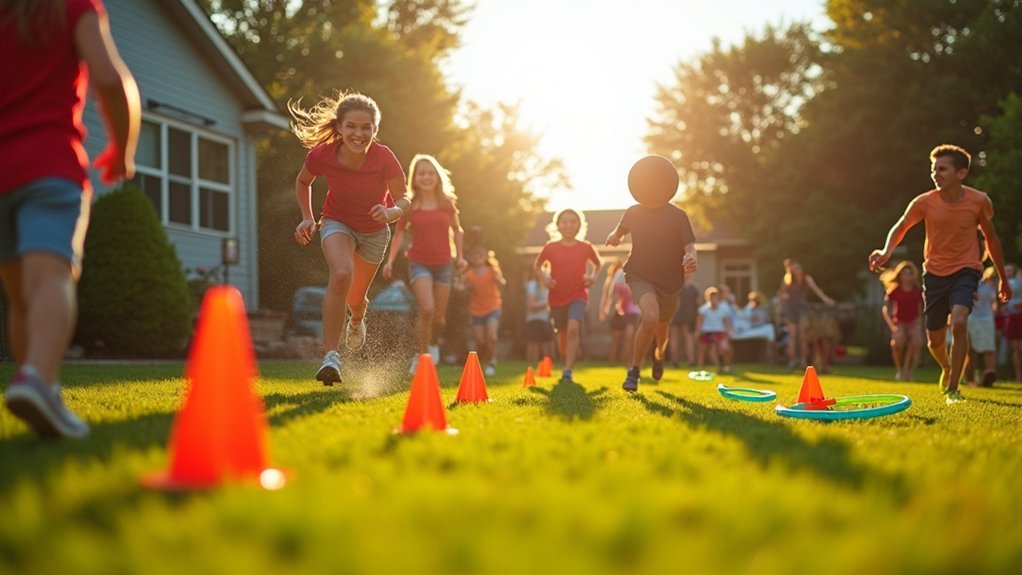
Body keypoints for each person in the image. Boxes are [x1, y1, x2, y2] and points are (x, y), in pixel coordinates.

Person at [1, 0, 140, 439]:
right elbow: (109, 79)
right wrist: (123, 148)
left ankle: (40, 387)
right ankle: (37, 380)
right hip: (48, 166)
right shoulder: (72, 6)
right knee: (49, 279)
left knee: (22, 297)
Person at [869, 144, 1012, 404]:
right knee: (934, 341)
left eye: (943, 169)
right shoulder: (924, 202)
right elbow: (901, 226)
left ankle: (954, 389)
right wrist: (886, 250)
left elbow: (991, 239)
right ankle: (946, 367)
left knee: (959, 322)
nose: (936, 174)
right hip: (934, 274)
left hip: (967, 269)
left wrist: (1002, 277)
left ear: (962, 173)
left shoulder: (979, 201)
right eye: (934, 169)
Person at [289, 91, 409, 385]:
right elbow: (303, 180)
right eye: (352, 126)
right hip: (336, 222)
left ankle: (356, 319)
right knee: (341, 275)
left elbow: (404, 197)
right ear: (340, 128)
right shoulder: (322, 155)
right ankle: (331, 356)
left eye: (366, 127)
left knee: (356, 298)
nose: (359, 133)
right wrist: (307, 216)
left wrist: (392, 211)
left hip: (374, 231)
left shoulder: (384, 157)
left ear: (374, 130)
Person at [606, 155, 697, 392]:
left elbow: (690, 246)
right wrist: (615, 237)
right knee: (650, 317)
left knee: (662, 332)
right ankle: (634, 371)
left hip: (670, 282)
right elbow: (620, 230)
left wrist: (691, 258)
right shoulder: (634, 212)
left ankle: (659, 354)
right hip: (639, 275)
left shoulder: (678, 216)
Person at [381, 154, 467, 374]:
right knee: (427, 309)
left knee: (439, 317)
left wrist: (461, 257)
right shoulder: (409, 205)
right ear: (415, 178)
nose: (427, 177)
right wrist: (390, 261)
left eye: (430, 173)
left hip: (444, 264)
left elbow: (457, 230)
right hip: (419, 262)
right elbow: (398, 233)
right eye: (422, 173)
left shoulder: (447, 203)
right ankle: (421, 357)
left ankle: (433, 342)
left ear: (437, 177)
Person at [536, 208, 602, 383]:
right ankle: (567, 357)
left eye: (573, 221)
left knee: (573, 328)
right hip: (556, 296)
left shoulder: (586, 247)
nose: (569, 225)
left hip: (578, 295)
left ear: (579, 225)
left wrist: (592, 278)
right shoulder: (550, 248)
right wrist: (544, 277)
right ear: (557, 225)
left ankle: (567, 370)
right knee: (562, 336)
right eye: (564, 221)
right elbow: (537, 266)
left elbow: (598, 264)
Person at [778, 258, 835, 369]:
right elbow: (781, 294)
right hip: (791, 310)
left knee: (804, 336)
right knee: (792, 336)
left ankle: (804, 361)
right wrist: (783, 297)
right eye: (794, 269)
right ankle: (792, 361)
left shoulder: (807, 279)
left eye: (798, 268)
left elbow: (817, 291)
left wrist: (827, 300)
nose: (796, 270)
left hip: (803, 309)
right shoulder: (787, 280)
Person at [462, 245, 505, 376]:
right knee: (480, 340)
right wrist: (465, 287)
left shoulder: (492, 271)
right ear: (471, 259)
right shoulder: (468, 274)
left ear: (485, 257)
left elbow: (502, 283)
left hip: (493, 307)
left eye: (480, 255)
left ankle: (492, 361)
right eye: (474, 256)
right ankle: (485, 358)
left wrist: (499, 281)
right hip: (477, 310)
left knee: (491, 337)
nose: (477, 258)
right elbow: (461, 287)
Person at [880, 261, 924, 381]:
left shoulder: (917, 290)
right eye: (904, 274)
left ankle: (909, 372)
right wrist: (891, 325)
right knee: (897, 343)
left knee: (917, 344)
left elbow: (920, 310)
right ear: (900, 275)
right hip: (899, 321)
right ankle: (899, 369)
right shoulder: (895, 290)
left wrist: (919, 325)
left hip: (914, 321)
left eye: (910, 273)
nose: (907, 276)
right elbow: (886, 309)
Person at [598, 261, 639, 364]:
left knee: (629, 336)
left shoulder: (632, 277)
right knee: (616, 338)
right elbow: (607, 296)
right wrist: (604, 310)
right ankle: (613, 361)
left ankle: (627, 361)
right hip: (618, 312)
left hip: (631, 312)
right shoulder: (612, 281)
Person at [964, 266, 998, 387]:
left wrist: (994, 312)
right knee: (971, 350)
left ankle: (990, 373)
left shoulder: (989, 285)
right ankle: (970, 377)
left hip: (987, 318)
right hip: (971, 318)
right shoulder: (966, 283)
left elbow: (994, 302)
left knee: (989, 348)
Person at [696, 287, 732, 372]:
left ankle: (726, 365)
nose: (713, 299)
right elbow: (699, 322)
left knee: (724, 348)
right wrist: (697, 331)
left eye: (715, 297)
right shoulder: (703, 310)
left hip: (719, 331)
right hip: (707, 332)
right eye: (711, 297)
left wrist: (729, 331)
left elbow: (726, 322)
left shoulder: (723, 309)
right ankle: (702, 367)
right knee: (704, 350)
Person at [524, 276, 555, 366]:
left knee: (547, 344)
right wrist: (547, 302)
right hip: (534, 319)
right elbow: (531, 305)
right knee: (534, 344)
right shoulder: (532, 285)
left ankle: (546, 365)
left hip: (545, 318)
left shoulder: (547, 285)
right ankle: (531, 365)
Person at [669, 277, 700, 367]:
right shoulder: (693, 288)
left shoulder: (673, 285)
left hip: (675, 314)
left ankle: (674, 362)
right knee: (688, 338)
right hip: (687, 315)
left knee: (674, 338)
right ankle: (691, 361)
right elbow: (697, 304)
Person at [1003, 263, 1022, 382]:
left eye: (1009, 270)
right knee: (1015, 348)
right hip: (1011, 317)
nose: (1007, 273)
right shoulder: (1003, 284)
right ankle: (1018, 376)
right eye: (1006, 271)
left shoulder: (1018, 282)